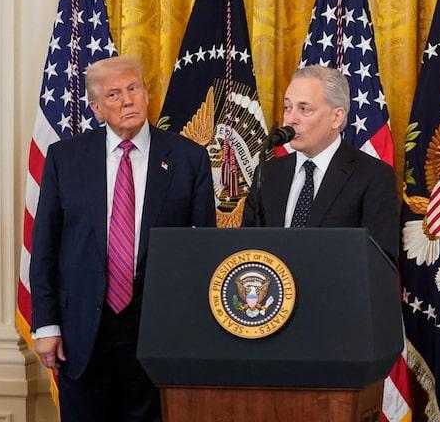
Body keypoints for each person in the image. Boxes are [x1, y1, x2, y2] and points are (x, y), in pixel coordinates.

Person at [29, 56, 215, 421]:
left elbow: (201, 252)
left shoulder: (187, 158)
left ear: (146, 94)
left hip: (158, 331)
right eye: (114, 94)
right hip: (81, 331)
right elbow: (45, 247)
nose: (127, 100)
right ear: (97, 108)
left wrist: (193, 332)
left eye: (134, 88)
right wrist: (46, 324)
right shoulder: (65, 158)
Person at [242, 65, 398, 260]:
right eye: (287, 107)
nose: (290, 119)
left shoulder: (372, 176)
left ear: (336, 117)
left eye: (304, 109)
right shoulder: (268, 173)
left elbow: (378, 261)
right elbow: (246, 247)